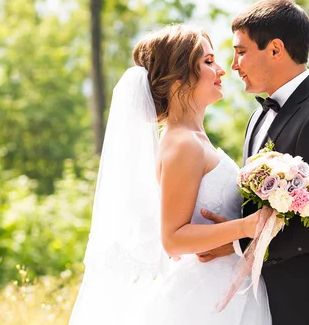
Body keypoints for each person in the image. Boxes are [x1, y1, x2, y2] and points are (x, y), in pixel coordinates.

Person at [68, 25, 272, 325]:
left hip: (224, 287)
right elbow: (173, 239)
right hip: (204, 298)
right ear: (179, 79)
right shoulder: (182, 144)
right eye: (208, 61)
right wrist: (247, 227)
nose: (221, 70)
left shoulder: (193, 138)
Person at [199, 0, 309, 325]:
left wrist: (237, 245)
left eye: (241, 51)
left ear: (275, 49)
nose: (234, 65)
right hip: (264, 303)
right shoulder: (256, 117)